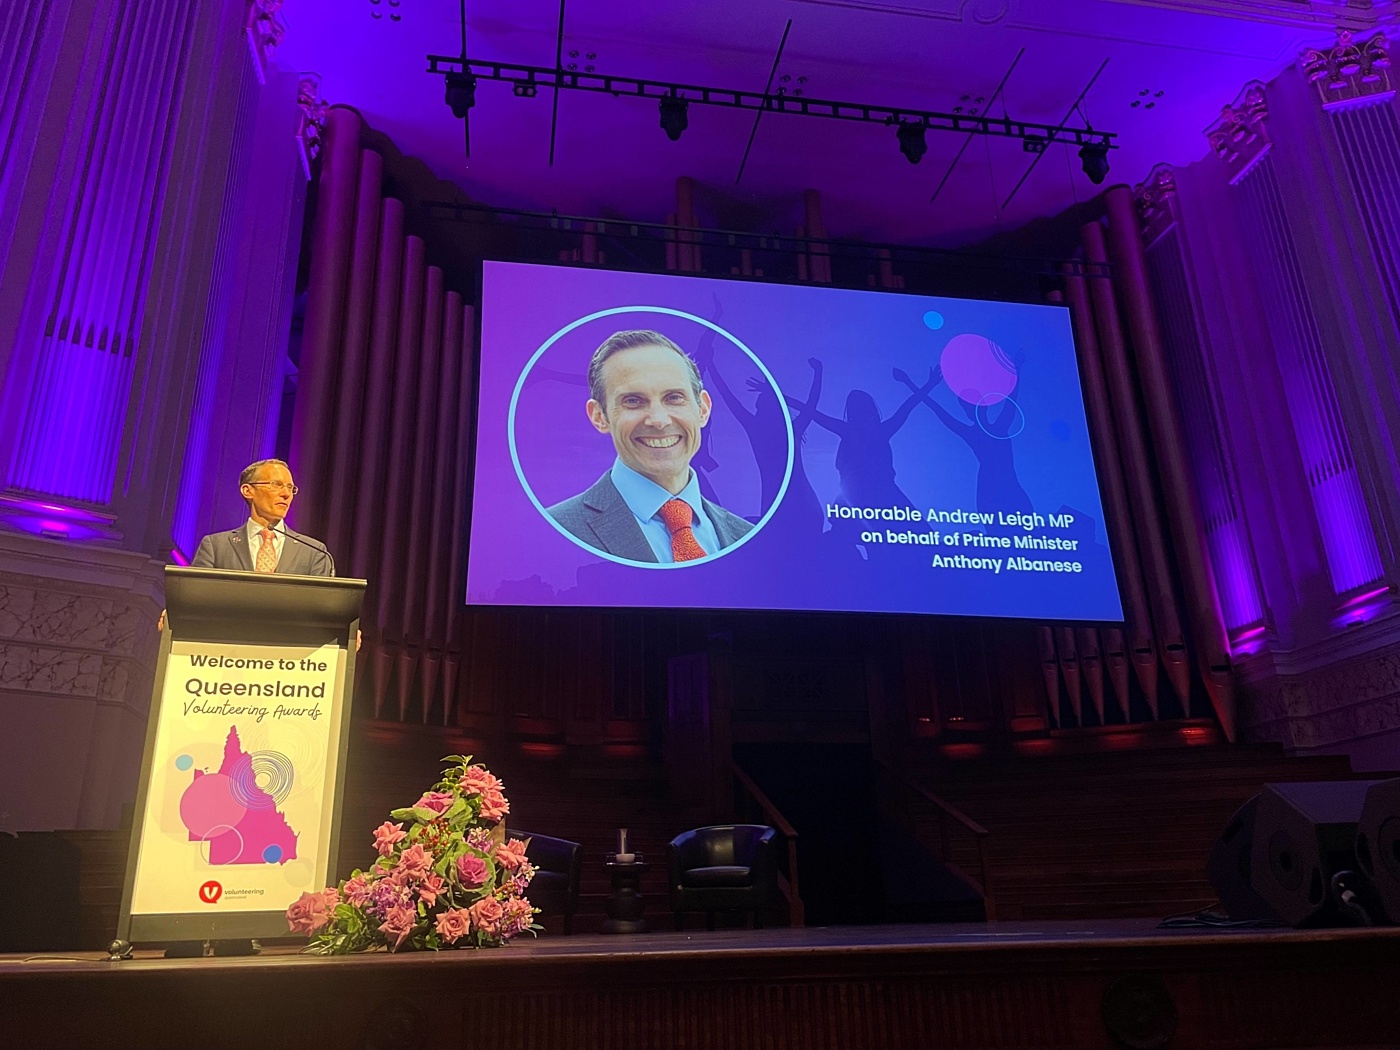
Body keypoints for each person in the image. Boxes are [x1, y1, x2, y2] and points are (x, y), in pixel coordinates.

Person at [546, 330, 753, 563]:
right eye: (633, 401)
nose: (659, 420)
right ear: (599, 416)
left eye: (674, 398)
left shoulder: (748, 537)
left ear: (703, 409)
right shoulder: (553, 533)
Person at [193, 458, 335, 576]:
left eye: (290, 488)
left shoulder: (314, 551)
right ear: (248, 491)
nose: (286, 494)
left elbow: (320, 600)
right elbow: (197, 595)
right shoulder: (215, 546)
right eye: (276, 484)